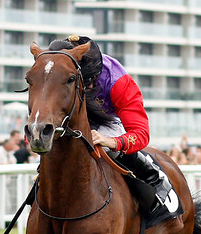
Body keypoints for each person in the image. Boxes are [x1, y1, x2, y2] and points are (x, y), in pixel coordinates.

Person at [47, 35, 177, 218]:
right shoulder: (56, 75)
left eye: (92, 80)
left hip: (107, 120)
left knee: (109, 149)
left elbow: (141, 134)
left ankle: (153, 179)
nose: (90, 87)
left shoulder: (118, 82)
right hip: (70, 116)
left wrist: (110, 141)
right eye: (85, 82)